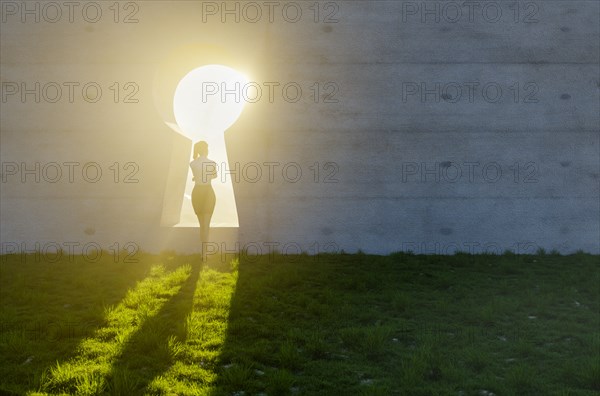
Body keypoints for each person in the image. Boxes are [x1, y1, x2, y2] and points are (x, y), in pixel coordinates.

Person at [189, 141, 217, 256]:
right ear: (206, 149)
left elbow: (197, 176)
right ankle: (205, 252)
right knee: (207, 224)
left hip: (197, 193)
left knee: (202, 225)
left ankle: (203, 252)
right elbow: (214, 176)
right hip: (208, 192)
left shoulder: (192, 163)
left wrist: (196, 177)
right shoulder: (212, 163)